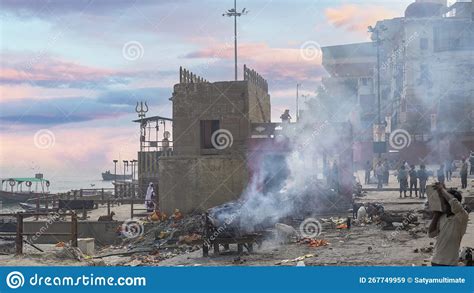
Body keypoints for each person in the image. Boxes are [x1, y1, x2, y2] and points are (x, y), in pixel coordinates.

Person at [429, 184, 469, 266]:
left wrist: (442, 190)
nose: (444, 205)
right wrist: (436, 214)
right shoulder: (442, 217)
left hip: (449, 263)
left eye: (446, 203)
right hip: (435, 260)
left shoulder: (461, 217)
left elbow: (454, 204)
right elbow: (431, 234)